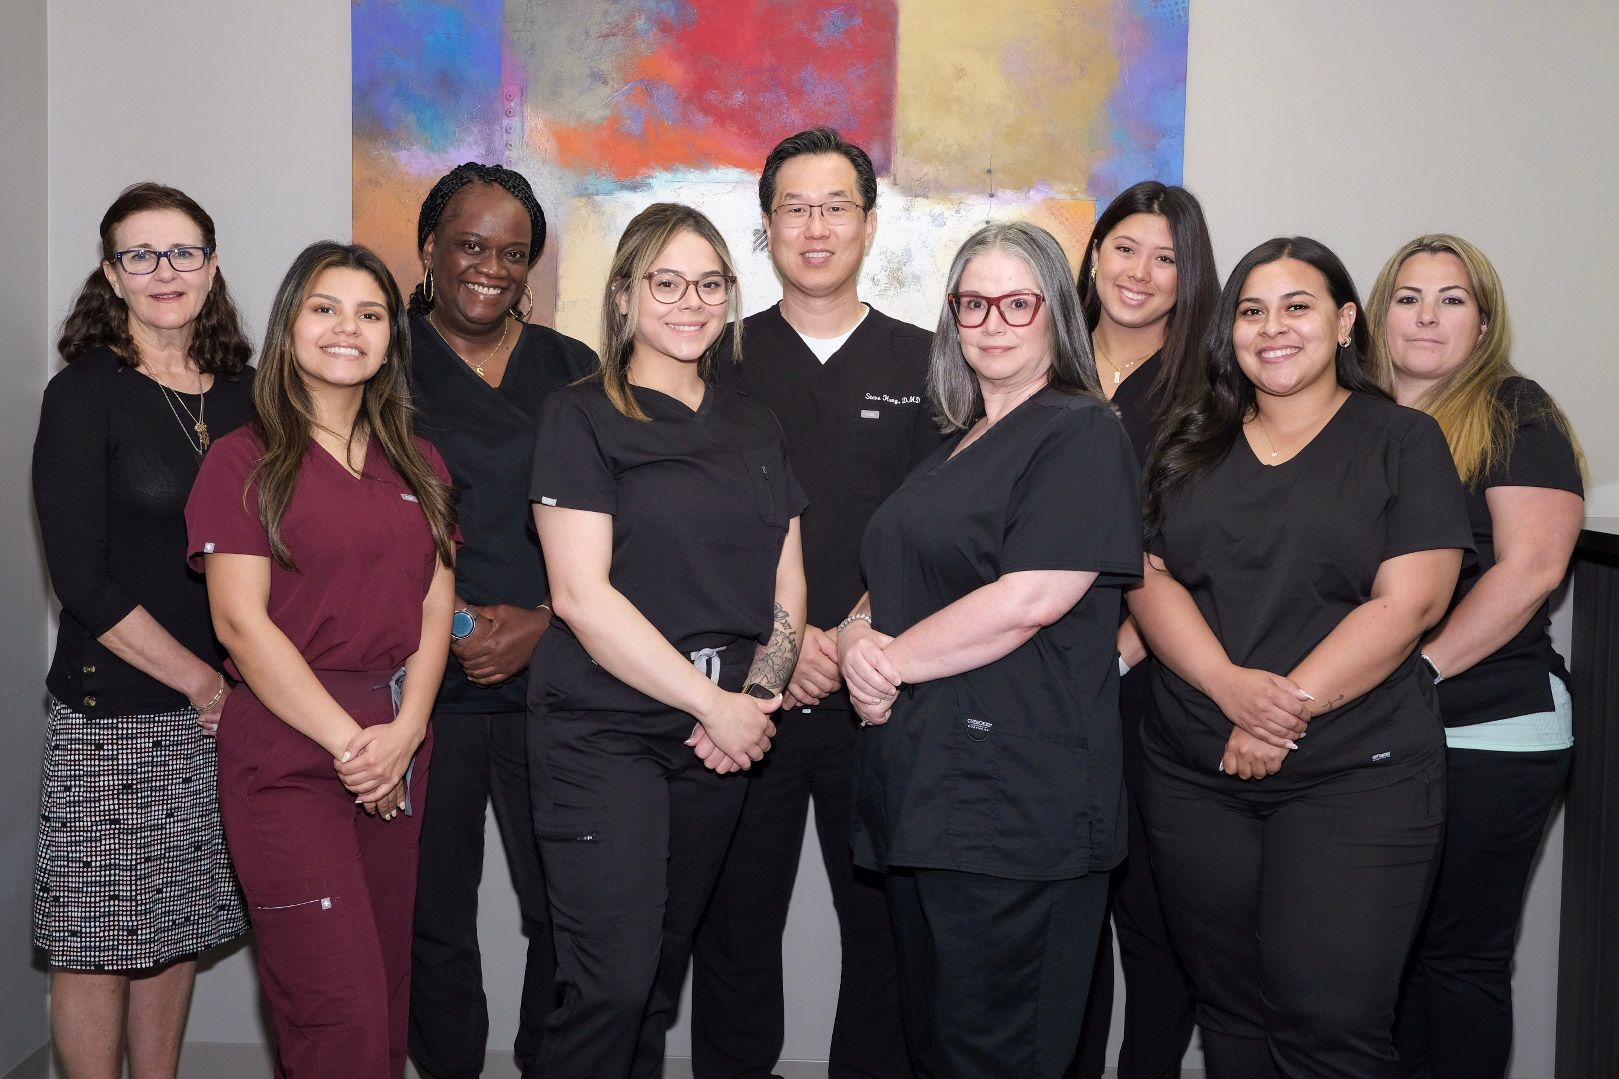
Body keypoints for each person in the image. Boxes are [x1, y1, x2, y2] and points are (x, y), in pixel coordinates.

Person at [1130, 237, 1471, 1078]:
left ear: (1344, 320)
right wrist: (1225, 686)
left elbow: (1410, 602)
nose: (1271, 327)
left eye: (1296, 306)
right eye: (1251, 311)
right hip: (1194, 772)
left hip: (1354, 775)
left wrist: (1274, 714)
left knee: (1329, 1022)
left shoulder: (1402, 439)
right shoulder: (1188, 439)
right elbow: (1147, 573)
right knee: (1231, 1014)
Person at [839, 221, 1142, 1077]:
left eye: (1017, 303)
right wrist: (853, 633)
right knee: (938, 1049)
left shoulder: (1082, 433)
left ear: (1056, 313)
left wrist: (887, 662)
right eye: (972, 304)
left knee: (997, 1056)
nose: (992, 322)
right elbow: (895, 576)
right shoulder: (956, 443)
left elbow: (1030, 598)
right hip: (927, 794)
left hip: (1018, 810)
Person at [528, 202, 807, 1078]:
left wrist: (752, 701)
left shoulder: (754, 423)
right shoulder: (580, 416)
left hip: (718, 737)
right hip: (602, 730)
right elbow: (580, 596)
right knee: (608, 985)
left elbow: (786, 583)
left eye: (710, 284)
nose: (691, 302)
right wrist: (713, 705)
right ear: (623, 295)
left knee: (654, 979)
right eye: (667, 283)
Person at [185, 241, 459, 1079]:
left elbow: (436, 604)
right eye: (325, 308)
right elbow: (240, 625)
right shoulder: (243, 458)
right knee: (335, 1006)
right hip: (289, 748)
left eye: (370, 314)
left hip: (396, 743)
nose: (348, 328)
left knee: (385, 993)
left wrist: (405, 732)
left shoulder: (419, 460)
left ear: (389, 339)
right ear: (290, 325)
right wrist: (353, 745)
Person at [694, 125, 932, 1079]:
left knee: (884, 934)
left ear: (869, 225)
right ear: (766, 227)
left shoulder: (930, 364)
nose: (817, 227)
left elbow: (942, 527)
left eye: (836, 207)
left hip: (883, 697)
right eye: (795, 208)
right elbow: (690, 533)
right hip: (744, 696)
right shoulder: (718, 358)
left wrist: (856, 632)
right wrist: (783, 650)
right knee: (732, 929)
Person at [32, 181, 253, 1079]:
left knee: (176, 925)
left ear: (212, 266)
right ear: (112, 273)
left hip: (223, 713)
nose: (165, 271)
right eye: (141, 254)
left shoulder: (246, 396)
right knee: (96, 940)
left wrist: (236, 683)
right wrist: (203, 682)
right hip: (114, 713)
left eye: (183, 252)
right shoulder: (83, 395)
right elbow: (81, 577)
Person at [1365, 235, 1585, 1079]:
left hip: (1490, 728)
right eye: (1408, 297)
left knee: (1456, 962)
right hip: (1378, 730)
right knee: (1379, 962)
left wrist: (1414, 672)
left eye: (1451, 299)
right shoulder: (1350, 418)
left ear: (1483, 322)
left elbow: (1532, 569)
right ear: (1376, 316)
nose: (1426, 316)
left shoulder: (1513, 411)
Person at [405, 161, 597, 1079]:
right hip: (418, 683)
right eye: (470, 245)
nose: (490, 267)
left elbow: (622, 524)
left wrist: (547, 622)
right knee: (430, 906)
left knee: (566, 904)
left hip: (554, 676)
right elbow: (343, 523)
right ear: (428, 249)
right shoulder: (378, 358)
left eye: (512, 253)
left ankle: (548, 1063)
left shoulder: (573, 369)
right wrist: (454, 628)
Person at [1070, 180, 1217, 1079]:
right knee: (1064, 919)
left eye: (1166, 258)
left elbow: (1195, 548)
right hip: (1029, 676)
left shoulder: (1210, 392)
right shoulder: (1036, 359)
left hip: (1150, 686)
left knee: (1156, 921)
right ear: (1093, 254)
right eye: (1125, 247)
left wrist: (1121, 652)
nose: (1139, 271)